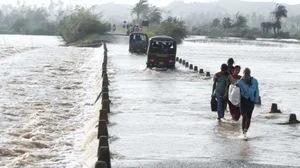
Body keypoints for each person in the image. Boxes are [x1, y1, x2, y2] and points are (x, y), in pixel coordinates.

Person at [237, 68, 260, 138]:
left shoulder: (255, 81)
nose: (246, 74)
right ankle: (243, 132)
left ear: (249, 73)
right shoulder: (240, 81)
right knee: (244, 116)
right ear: (244, 73)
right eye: (245, 73)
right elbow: (236, 91)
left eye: (247, 73)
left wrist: (256, 99)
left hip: (251, 100)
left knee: (249, 117)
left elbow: (257, 91)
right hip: (243, 100)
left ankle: (245, 131)